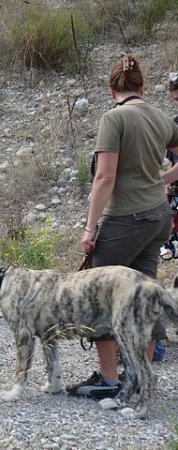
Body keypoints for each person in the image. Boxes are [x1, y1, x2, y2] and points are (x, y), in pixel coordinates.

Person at [67, 55, 178, 398]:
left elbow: (105, 177)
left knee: (100, 293)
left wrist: (89, 229)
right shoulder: (161, 118)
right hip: (158, 215)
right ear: (142, 86)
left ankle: (110, 378)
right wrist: (161, 179)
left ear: (111, 88)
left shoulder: (113, 119)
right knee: (145, 294)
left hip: (124, 218)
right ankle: (140, 378)